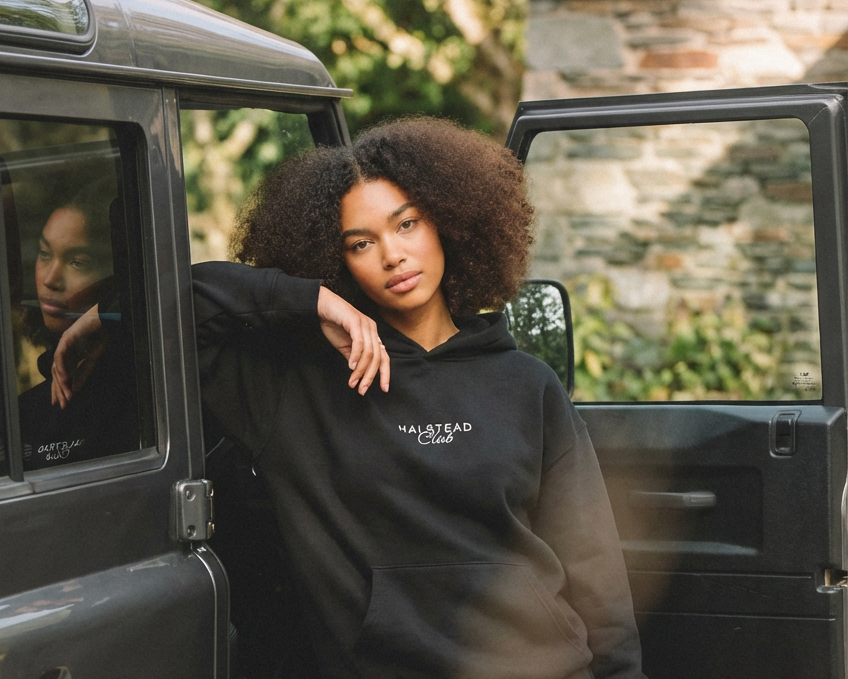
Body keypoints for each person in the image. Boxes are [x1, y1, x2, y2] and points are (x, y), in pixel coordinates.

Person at [54, 117, 646, 678]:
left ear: (450, 223)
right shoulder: (295, 387)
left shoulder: (527, 384)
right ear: (335, 261)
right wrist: (309, 301)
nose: (392, 254)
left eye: (407, 224)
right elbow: (177, 303)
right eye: (360, 243)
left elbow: (598, 576)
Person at [18, 186, 139, 470]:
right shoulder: (26, 411)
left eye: (77, 263)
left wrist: (103, 313)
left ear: (112, 275)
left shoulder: (141, 384)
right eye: (44, 253)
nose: (50, 279)